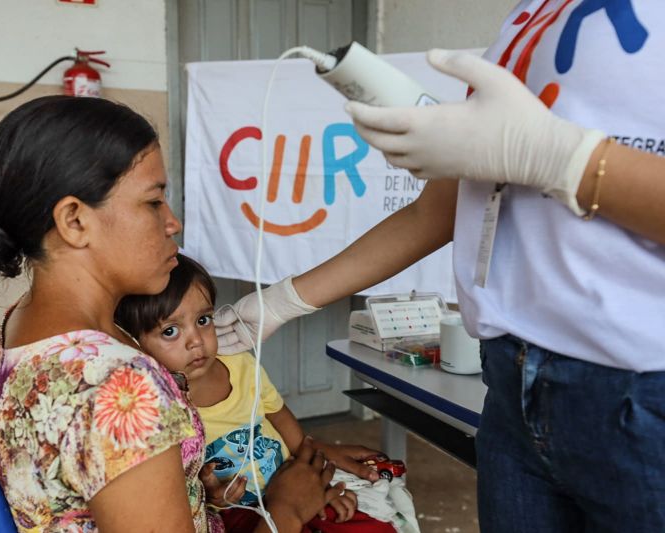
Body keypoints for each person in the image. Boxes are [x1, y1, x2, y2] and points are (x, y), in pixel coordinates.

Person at [214, 2, 665, 532]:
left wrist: (565, 160)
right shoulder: (534, 15)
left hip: (638, 393)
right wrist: (285, 299)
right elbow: (439, 208)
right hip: (512, 384)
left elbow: (535, 155)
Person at [0, 95, 339, 533]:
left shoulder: (23, 325)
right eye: (153, 202)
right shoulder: (120, 388)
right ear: (75, 221)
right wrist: (287, 510)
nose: (173, 222)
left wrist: (187, 489)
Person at [115, 253, 408, 533]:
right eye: (170, 331)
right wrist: (212, 499)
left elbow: (278, 415)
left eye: (203, 320)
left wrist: (311, 467)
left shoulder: (240, 363)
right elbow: (184, 493)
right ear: (133, 344)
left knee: (371, 526)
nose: (196, 341)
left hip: (290, 478)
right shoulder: (157, 407)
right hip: (239, 512)